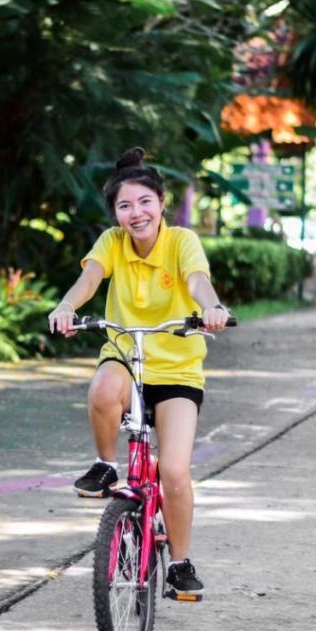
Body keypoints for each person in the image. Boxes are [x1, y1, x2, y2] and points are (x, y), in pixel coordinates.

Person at [47, 147, 230, 594]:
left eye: (145, 202)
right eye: (124, 206)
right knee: (104, 387)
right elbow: (90, 277)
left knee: (173, 471)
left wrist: (211, 307)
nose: (136, 213)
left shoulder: (182, 241)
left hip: (178, 374)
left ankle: (179, 563)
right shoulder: (111, 243)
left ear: (162, 203)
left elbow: (197, 281)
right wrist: (68, 305)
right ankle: (106, 465)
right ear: (115, 213)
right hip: (128, 357)